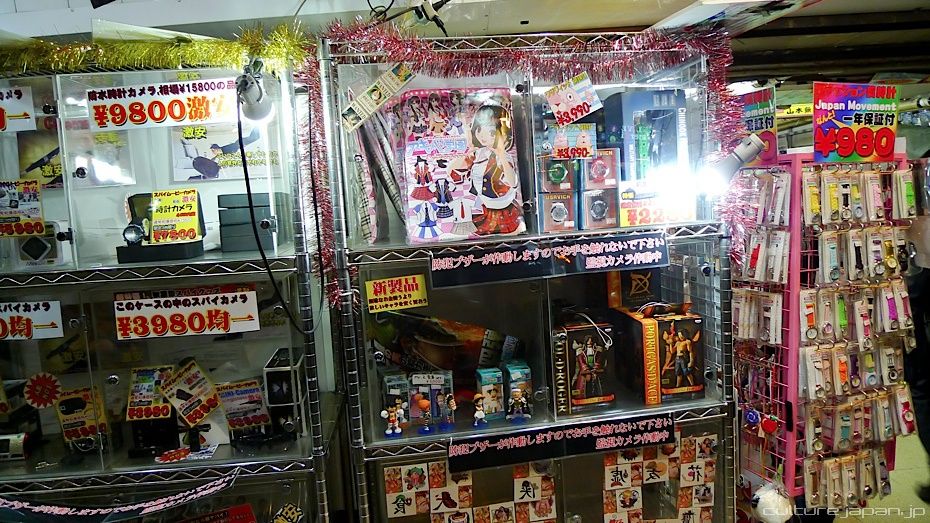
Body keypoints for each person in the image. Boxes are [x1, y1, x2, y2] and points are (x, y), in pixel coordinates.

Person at [467, 104, 522, 235]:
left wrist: (501, 155)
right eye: (479, 129)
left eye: (491, 132)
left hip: (501, 203)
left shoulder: (504, 157)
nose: (483, 136)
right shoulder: (480, 152)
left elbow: (513, 182)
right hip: (486, 202)